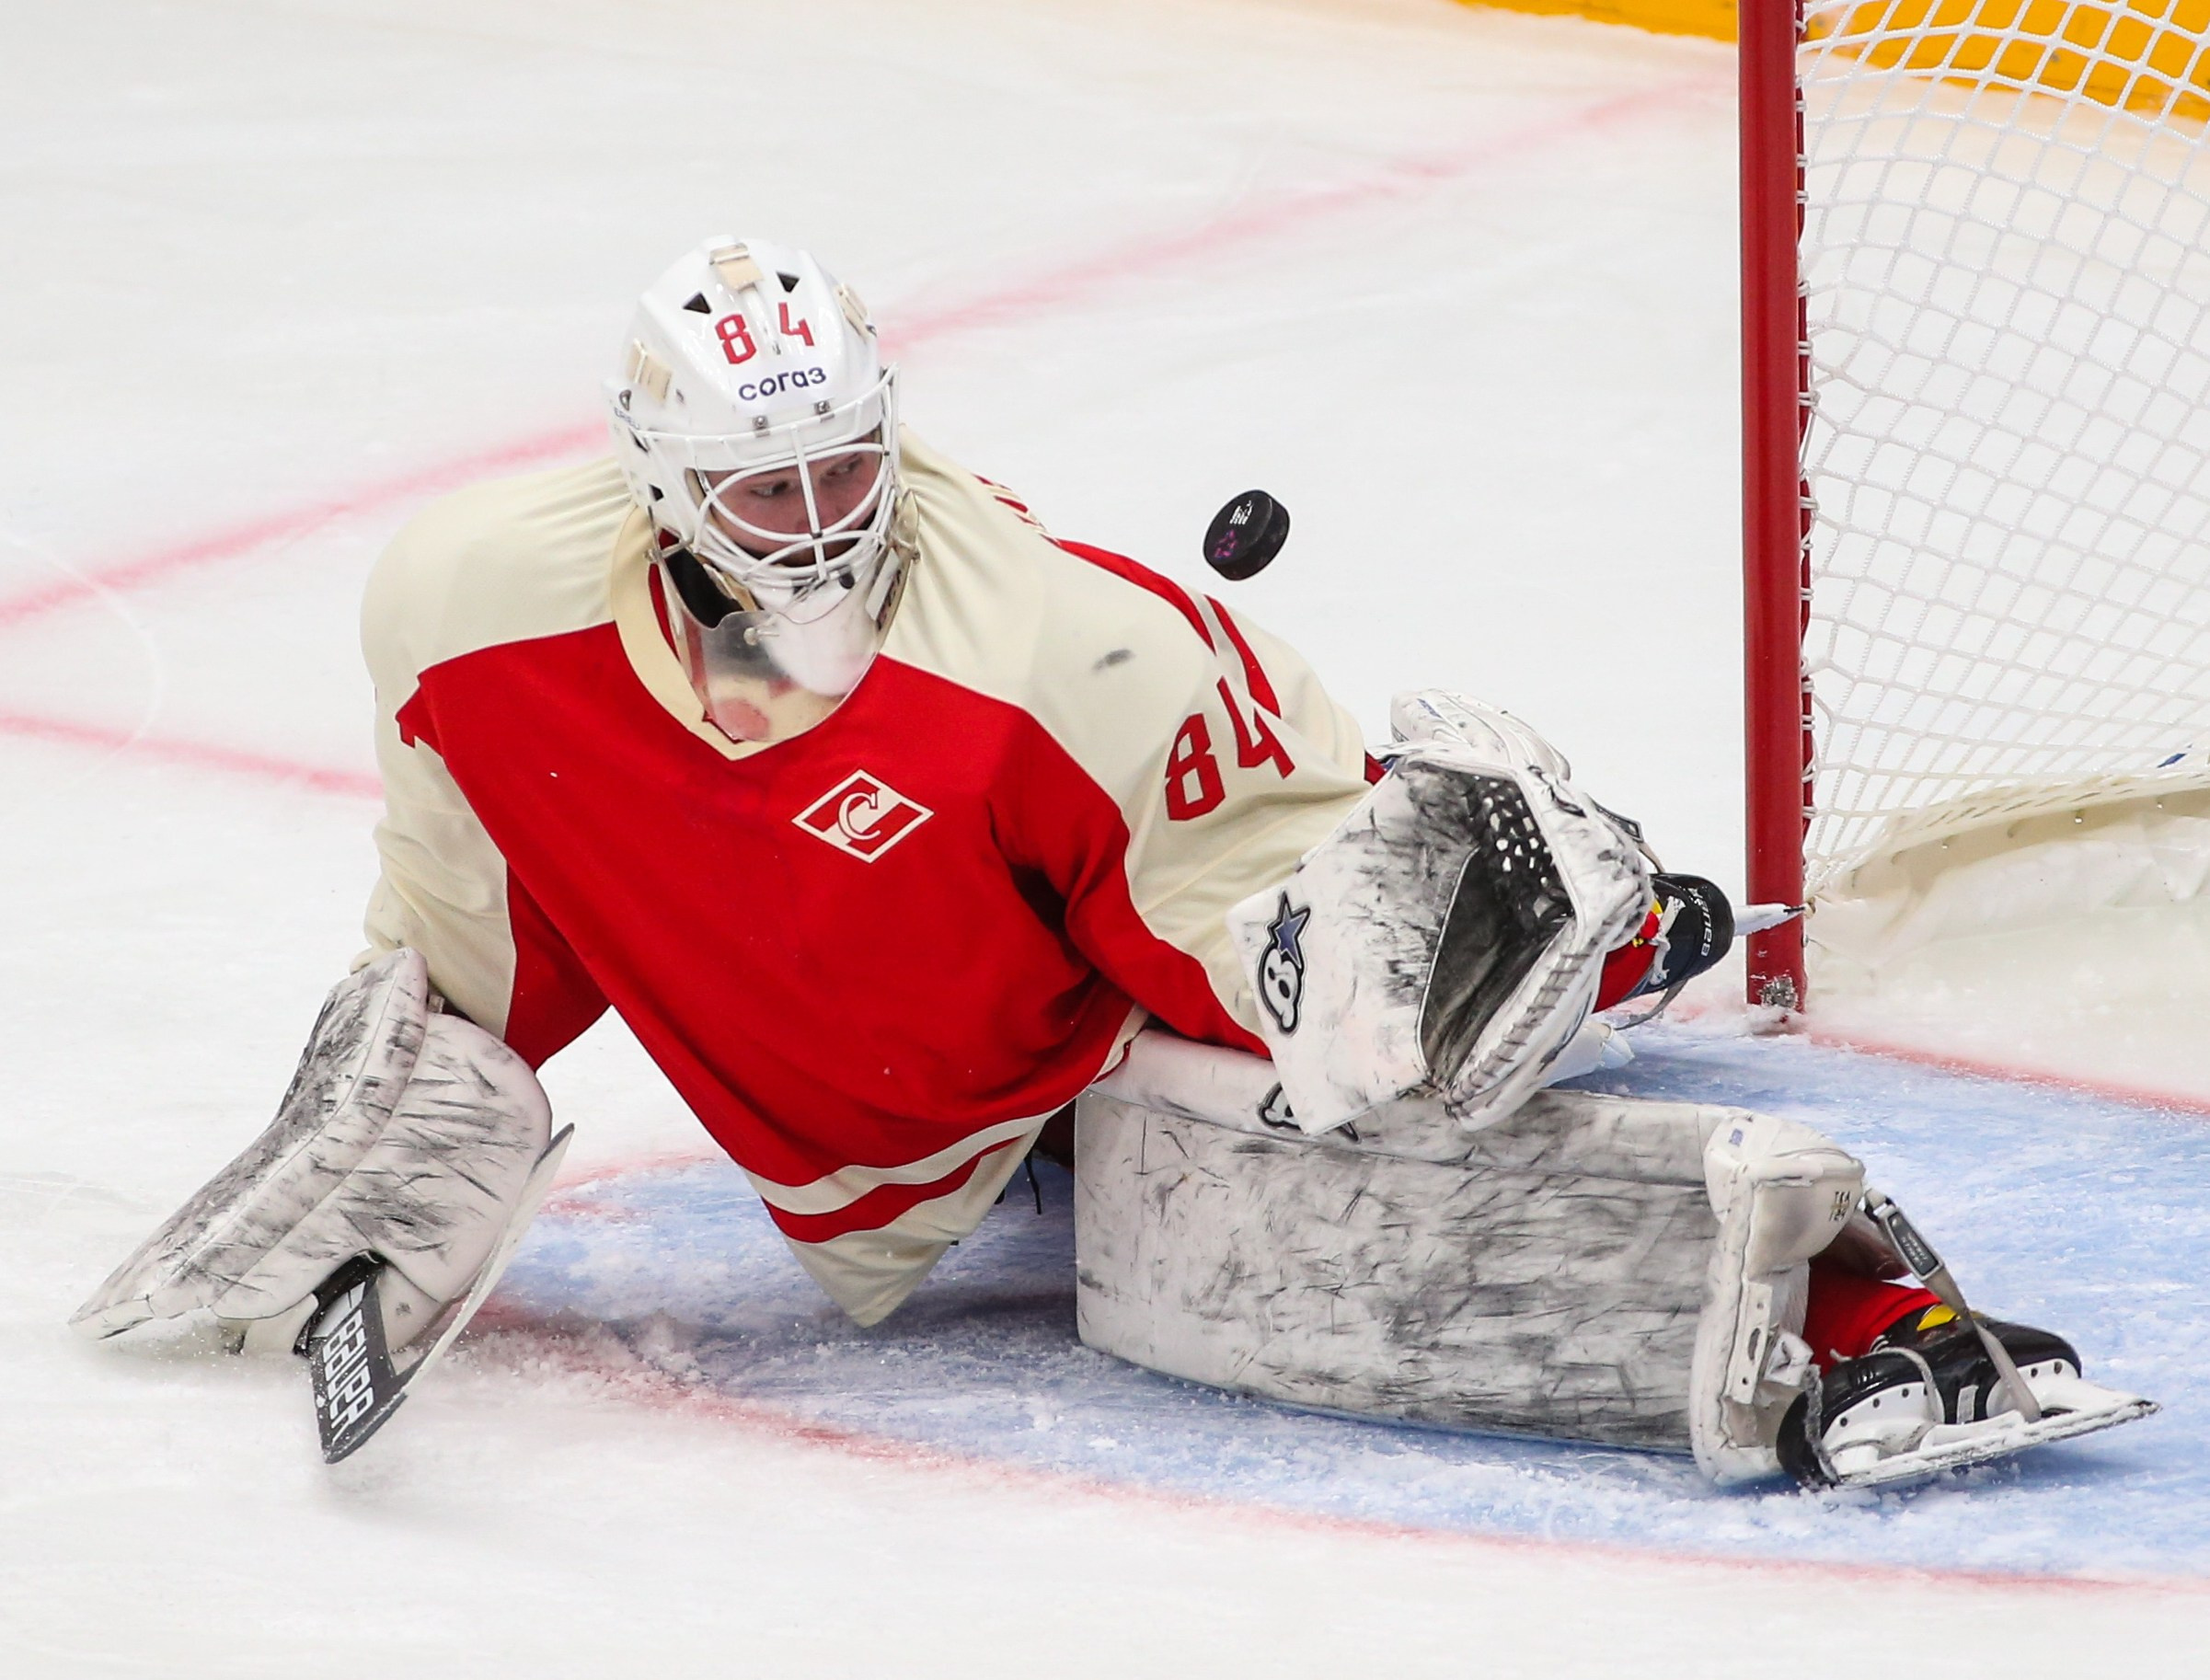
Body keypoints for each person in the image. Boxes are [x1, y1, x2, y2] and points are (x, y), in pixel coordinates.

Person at [72, 236, 2136, 1489]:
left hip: (1118, 984)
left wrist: (1366, 1003)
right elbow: (481, 926)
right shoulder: (463, 608)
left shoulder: (1068, 650)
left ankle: (1818, 1240)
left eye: (844, 464)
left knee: (1364, 1073)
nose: (811, 518)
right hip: (939, 1072)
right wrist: (400, 1140)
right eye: (757, 482)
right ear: (655, 477)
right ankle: (1627, 939)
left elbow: (1257, 966)